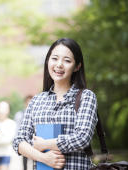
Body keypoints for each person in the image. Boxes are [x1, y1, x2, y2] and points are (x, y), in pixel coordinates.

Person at [12, 38, 98, 170]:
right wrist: (44, 158)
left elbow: (82, 138)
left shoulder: (86, 97)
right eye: (55, 58)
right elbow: (18, 141)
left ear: (76, 66)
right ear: (48, 61)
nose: (59, 64)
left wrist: (44, 144)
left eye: (67, 60)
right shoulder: (36, 101)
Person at [14, 95, 33, 170]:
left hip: (34, 140)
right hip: (24, 141)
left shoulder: (36, 114)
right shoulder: (19, 115)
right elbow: (17, 127)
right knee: (24, 161)